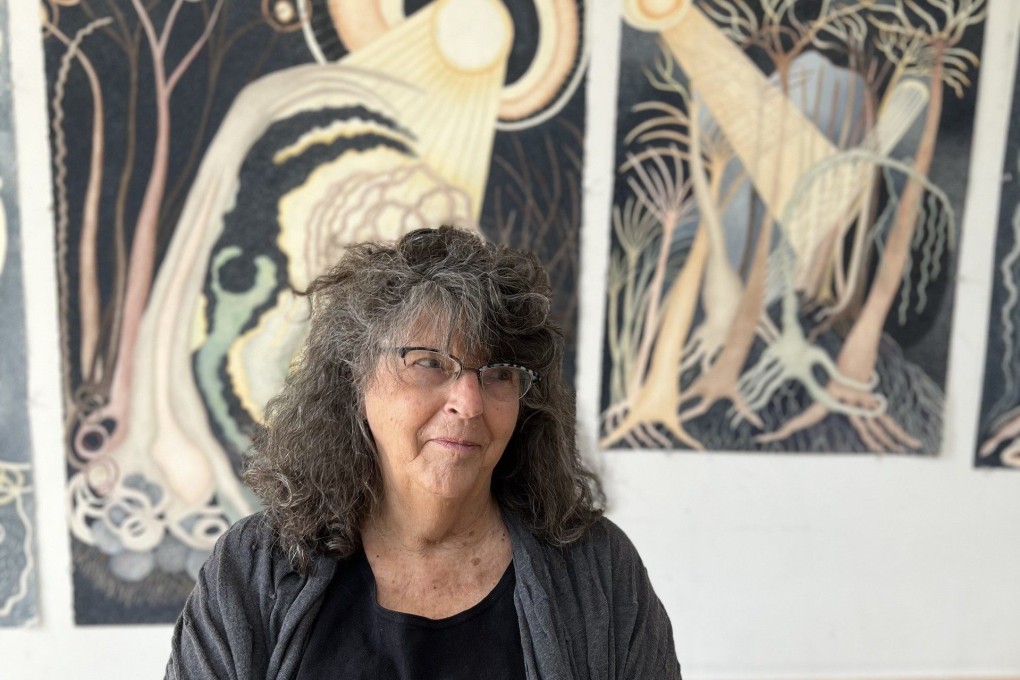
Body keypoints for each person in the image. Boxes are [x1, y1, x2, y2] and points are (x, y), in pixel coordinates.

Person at [165, 226, 681, 679]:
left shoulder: (598, 571)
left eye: (498, 373)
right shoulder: (254, 570)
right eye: (431, 363)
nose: (469, 402)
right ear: (357, 378)